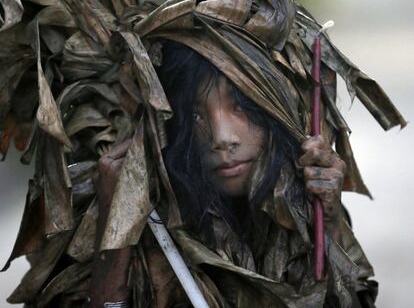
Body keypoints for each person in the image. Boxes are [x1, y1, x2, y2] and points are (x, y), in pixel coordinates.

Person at [89, 41, 369, 308]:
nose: (222, 138)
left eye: (241, 104)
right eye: (195, 115)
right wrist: (115, 227)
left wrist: (328, 226)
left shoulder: (310, 204)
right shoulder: (157, 224)